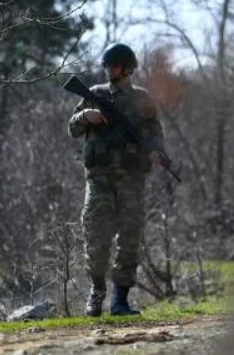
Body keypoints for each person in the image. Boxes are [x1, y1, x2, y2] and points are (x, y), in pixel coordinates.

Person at [67, 42, 164, 316]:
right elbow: (72, 128)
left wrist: (157, 152)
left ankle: (120, 300)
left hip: (132, 179)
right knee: (96, 236)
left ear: (127, 68)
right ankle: (96, 293)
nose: (110, 69)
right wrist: (86, 115)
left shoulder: (144, 100)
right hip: (99, 179)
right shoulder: (94, 94)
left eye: (115, 65)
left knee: (130, 239)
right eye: (107, 65)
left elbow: (156, 134)